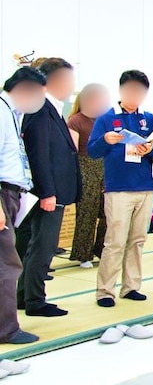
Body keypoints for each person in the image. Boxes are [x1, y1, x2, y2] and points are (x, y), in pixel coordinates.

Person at [88, 70, 153, 308]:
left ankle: (131, 286)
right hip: (118, 188)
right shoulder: (106, 119)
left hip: (145, 187)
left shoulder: (150, 119)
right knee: (115, 241)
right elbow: (92, 150)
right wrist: (105, 140)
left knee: (138, 240)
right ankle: (105, 291)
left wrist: (152, 150)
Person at [15, 58, 81, 318]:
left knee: (38, 245)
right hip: (47, 191)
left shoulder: (51, 108)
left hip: (52, 189)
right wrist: (47, 192)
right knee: (42, 246)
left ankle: (25, 297)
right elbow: (38, 154)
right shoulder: (41, 109)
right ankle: (35, 300)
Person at [0, 67, 47, 344]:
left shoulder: (12, 113)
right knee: (6, 263)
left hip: (11, 193)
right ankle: (6, 329)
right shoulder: (1, 111)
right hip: (2, 193)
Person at [67, 83, 111, 268]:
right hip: (85, 166)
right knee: (87, 212)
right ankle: (83, 254)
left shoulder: (104, 120)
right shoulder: (75, 120)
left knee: (108, 211)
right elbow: (73, 150)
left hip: (105, 165)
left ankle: (101, 249)